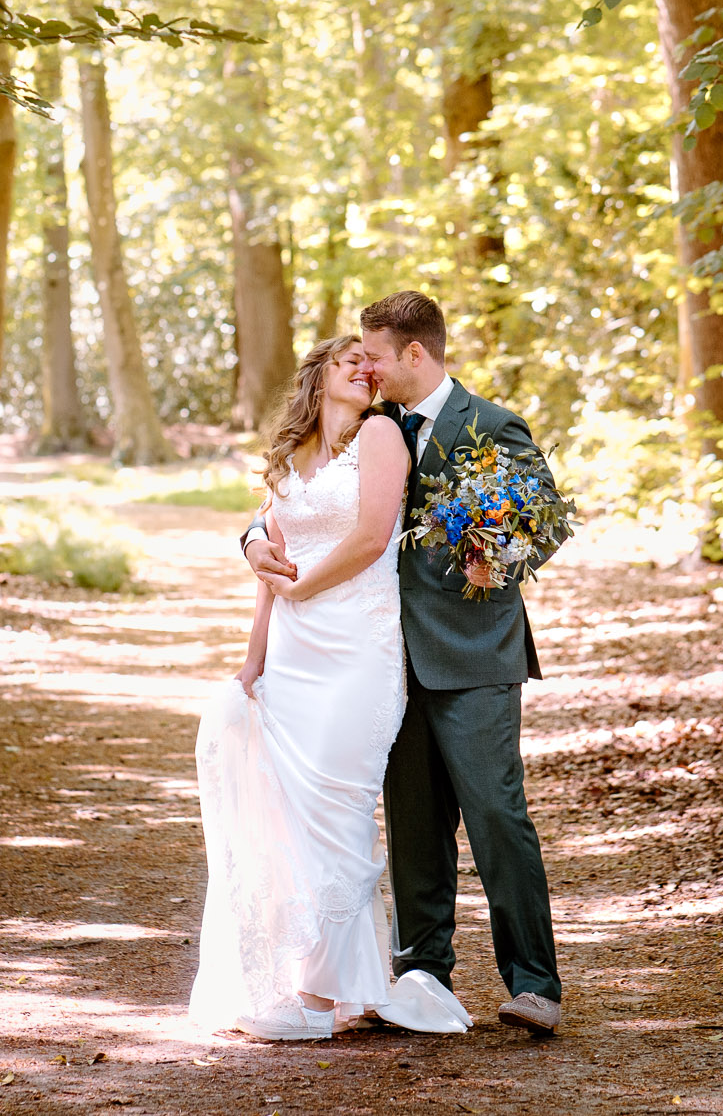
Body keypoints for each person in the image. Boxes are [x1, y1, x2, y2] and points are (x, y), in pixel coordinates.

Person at [246, 291, 565, 1037]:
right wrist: (249, 542)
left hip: (473, 654)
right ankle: (422, 973)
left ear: (413, 353)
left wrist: (499, 555)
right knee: (414, 825)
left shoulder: (491, 425)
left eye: (378, 356)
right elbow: (300, 497)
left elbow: (540, 522)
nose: (370, 368)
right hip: (384, 659)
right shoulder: (377, 426)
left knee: (495, 812)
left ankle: (535, 982)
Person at [190, 336, 472, 1041]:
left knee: (341, 807)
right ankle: (327, 982)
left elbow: (373, 537)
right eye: (346, 359)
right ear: (317, 376)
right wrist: (252, 663)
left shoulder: (380, 434)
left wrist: (301, 588)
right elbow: (269, 563)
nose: (361, 367)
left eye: (365, 362)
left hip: (357, 650)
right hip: (292, 655)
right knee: (293, 814)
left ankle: (320, 998)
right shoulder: (289, 458)